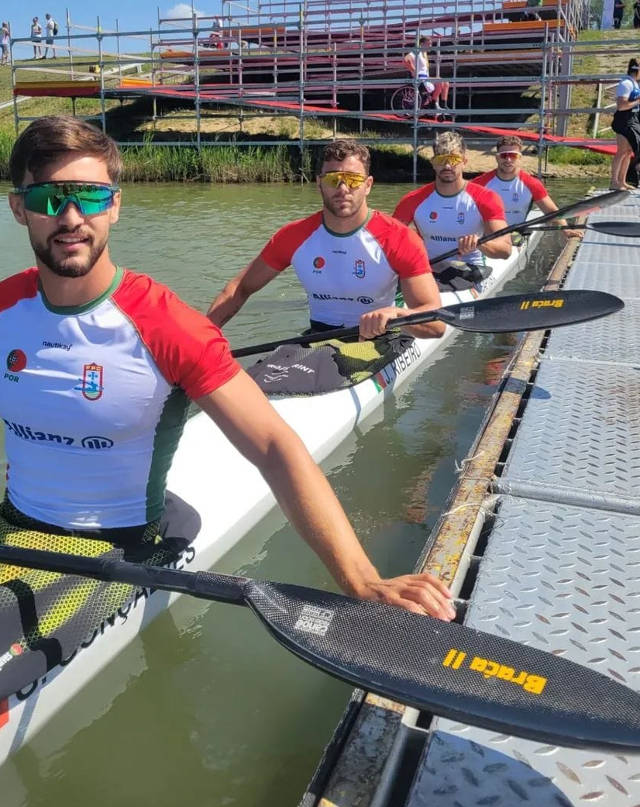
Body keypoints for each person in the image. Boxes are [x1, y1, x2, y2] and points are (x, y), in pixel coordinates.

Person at [1, 116, 455, 622]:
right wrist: (215, 336)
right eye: (47, 198)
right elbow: (240, 288)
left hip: (114, 547)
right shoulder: (4, 306)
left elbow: (274, 447)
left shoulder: (166, 324)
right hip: (12, 525)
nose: (69, 217)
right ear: (19, 207)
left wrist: (361, 579)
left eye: (88, 197)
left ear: (115, 206)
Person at [207, 139, 446, 342]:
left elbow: (437, 324)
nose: (343, 188)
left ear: (368, 185)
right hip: (318, 337)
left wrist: (397, 315)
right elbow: (239, 289)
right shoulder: (293, 236)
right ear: (319, 183)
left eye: (352, 180)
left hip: (380, 338)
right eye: (333, 179)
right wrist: (203, 337)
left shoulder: (400, 238)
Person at [392, 131, 511, 292]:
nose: (447, 166)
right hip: (430, 269)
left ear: (464, 162)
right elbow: (389, 244)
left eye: (454, 160)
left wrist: (481, 244)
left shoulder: (486, 198)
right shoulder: (412, 200)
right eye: (442, 160)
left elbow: (505, 250)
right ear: (433, 163)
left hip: (471, 271)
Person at [472, 135, 583, 238]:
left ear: (520, 158)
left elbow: (551, 211)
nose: (508, 160)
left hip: (515, 236)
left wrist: (566, 230)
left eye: (513, 155)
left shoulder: (532, 184)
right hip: (486, 237)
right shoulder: (480, 183)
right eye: (504, 155)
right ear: (497, 158)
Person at [610, 58, 640, 189]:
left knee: (628, 151)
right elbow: (621, 105)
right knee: (622, 151)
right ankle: (614, 182)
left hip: (631, 119)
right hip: (623, 120)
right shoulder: (626, 84)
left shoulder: (634, 83)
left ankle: (622, 181)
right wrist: (638, 101)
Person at [402, 36, 450, 111]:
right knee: (440, 81)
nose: (430, 46)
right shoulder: (416, 51)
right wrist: (413, 71)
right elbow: (406, 60)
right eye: (428, 44)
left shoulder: (424, 54)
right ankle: (433, 104)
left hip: (425, 77)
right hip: (420, 78)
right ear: (422, 44)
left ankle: (444, 105)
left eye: (430, 44)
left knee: (446, 83)